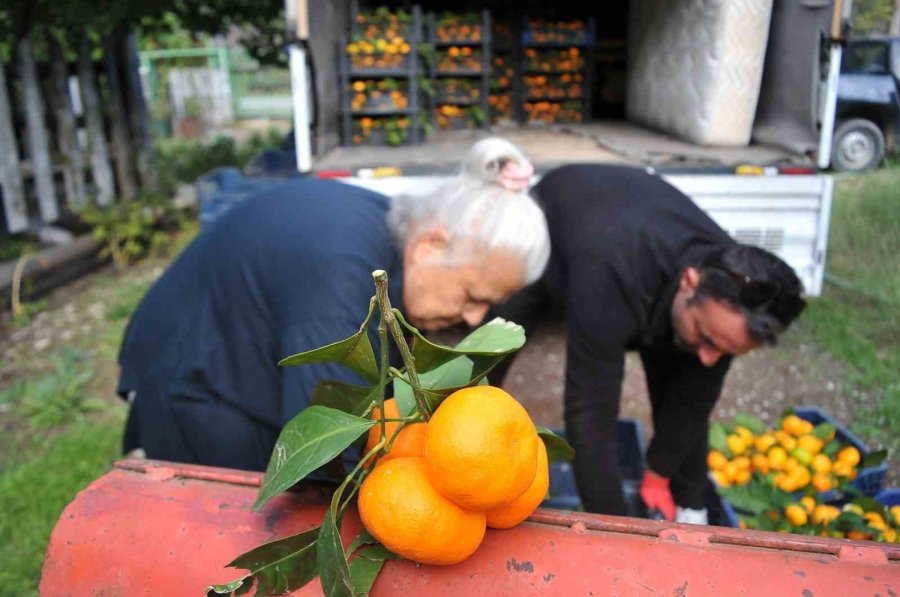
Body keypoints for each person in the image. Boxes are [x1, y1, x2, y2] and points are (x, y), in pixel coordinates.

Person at [116, 138, 550, 472]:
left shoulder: (392, 232)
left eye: (489, 304)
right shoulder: (342, 284)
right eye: (473, 296)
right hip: (196, 372)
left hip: (249, 345)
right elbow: (321, 455)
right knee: (231, 525)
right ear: (431, 245)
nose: (475, 317)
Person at [489, 161, 806, 524]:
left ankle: (690, 503)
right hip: (563, 216)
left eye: (724, 350)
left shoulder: (732, 287)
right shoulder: (608, 274)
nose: (709, 358)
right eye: (706, 338)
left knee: (684, 367)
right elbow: (590, 414)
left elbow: (692, 402)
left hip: (640, 239)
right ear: (690, 281)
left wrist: (661, 477)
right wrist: (614, 529)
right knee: (498, 338)